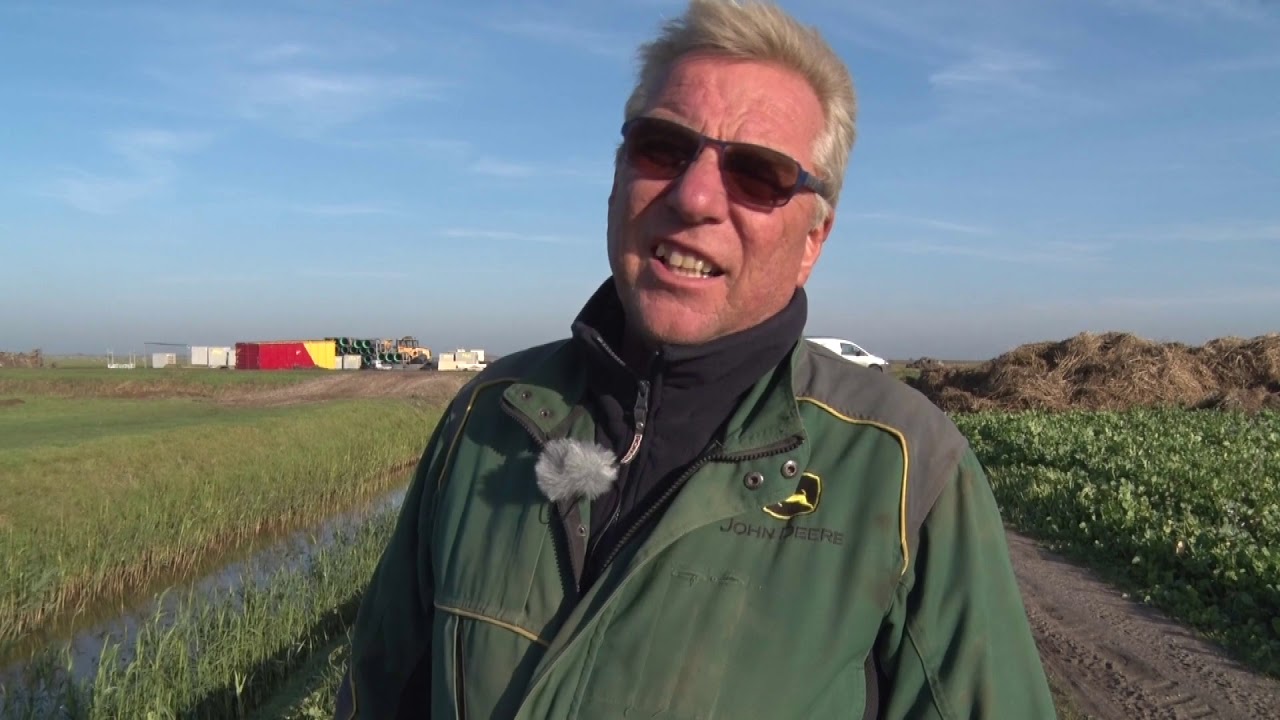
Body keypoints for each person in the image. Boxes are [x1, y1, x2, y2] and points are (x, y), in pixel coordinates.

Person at [334, 0, 1057, 718]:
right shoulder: (487, 418)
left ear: (814, 240)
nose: (695, 195)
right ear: (618, 178)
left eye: (758, 173)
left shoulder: (907, 468)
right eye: (663, 148)